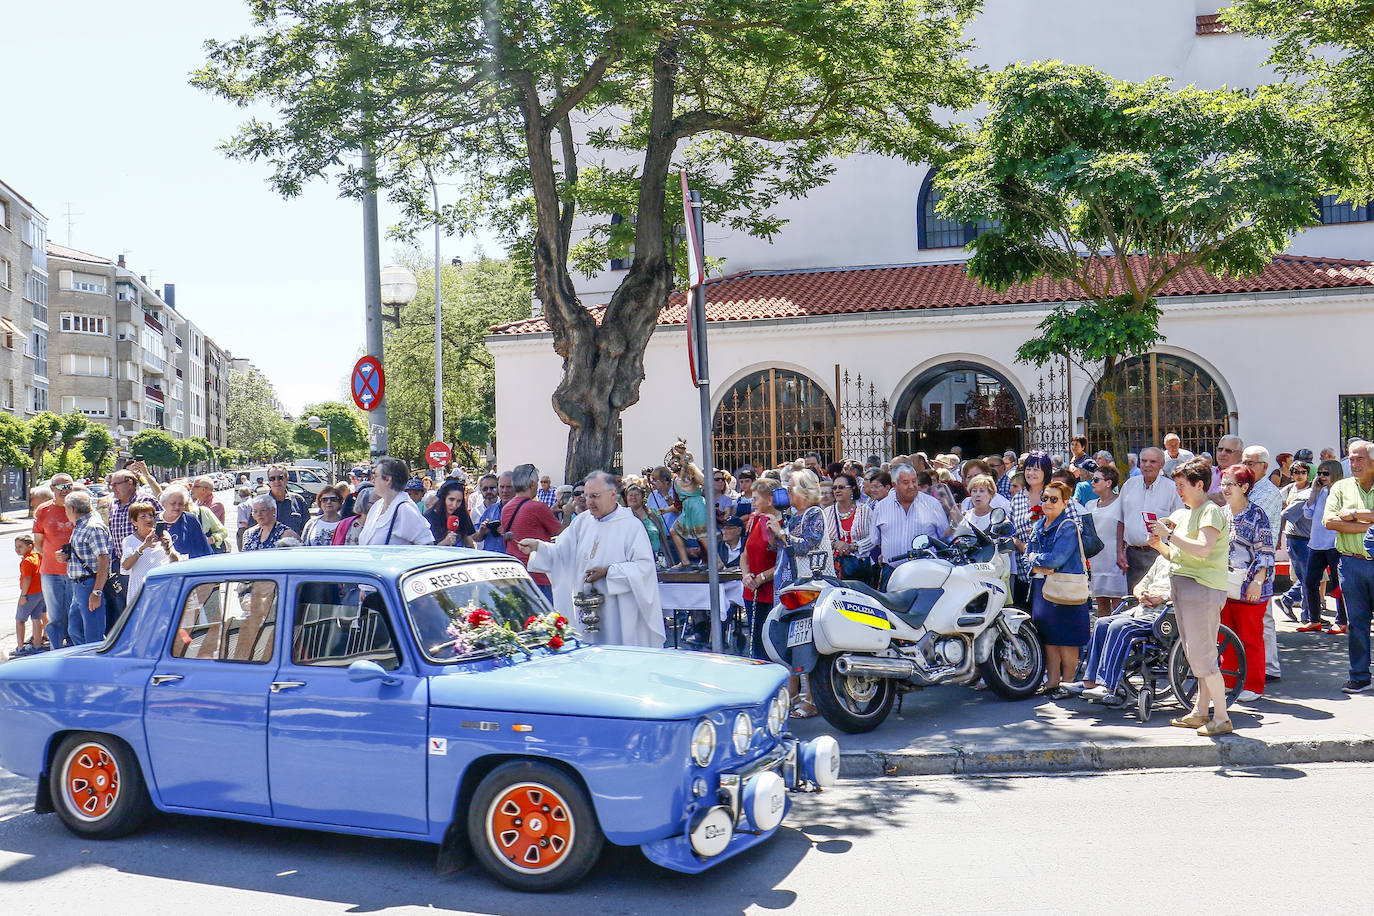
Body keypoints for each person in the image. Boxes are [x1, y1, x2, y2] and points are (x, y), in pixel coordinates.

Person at [521, 471, 665, 647]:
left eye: (595, 496)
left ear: (613, 494)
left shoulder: (631, 526)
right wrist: (538, 547)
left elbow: (644, 568)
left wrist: (608, 572)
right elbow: (560, 554)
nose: (589, 502)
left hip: (617, 611)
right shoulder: (582, 522)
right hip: (586, 608)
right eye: (587, 496)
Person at [1150, 457, 1233, 736]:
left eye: (1182, 485)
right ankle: (1200, 712)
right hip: (1187, 588)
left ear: (1200, 485)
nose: (1178, 490)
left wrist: (1169, 536)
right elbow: (1178, 557)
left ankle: (1221, 718)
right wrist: (1160, 543)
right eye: (1176, 485)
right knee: (1196, 655)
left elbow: (1203, 550)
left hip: (1202, 589)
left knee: (1204, 657)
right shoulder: (1186, 514)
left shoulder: (1210, 511)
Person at [768, 469, 830, 717]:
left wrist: (782, 534)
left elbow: (807, 546)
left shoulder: (815, 513)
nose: (786, 492)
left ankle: (812, 699)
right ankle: (795, 693)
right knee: (796, 641)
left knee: (809, 642)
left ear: (803, 491)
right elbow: (785, 548)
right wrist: (777, 533)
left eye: (790, 487)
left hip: (813, 585)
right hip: (796, 585)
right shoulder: (795, 517)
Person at [1025, 481, 1092, 698]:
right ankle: (1052, 682)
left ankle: (1068, 683)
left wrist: (1036, 560)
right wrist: (1037, 562)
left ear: (1065, 502)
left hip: (1066, 589)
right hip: (1041, 587)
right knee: (1048, 638)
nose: (1048, 503)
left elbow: (1057, 559)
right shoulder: (1038, 526)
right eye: (1045, 498)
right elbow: (1028, 557)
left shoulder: (1069, 526)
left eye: (1054, 499)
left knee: (1067, 639)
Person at [1078, 554, 1174, 698]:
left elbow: (1188, 591)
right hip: (1142, 610)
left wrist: (1162, 597)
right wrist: (1141, 593)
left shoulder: (1189, 562)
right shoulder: (1162, 559)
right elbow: (1140, 584)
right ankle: (1090, 681)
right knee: (1102, 623)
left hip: (1164, 615)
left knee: (1119, 626)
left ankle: (1107, 686)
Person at [1219, 464, 1274, 702]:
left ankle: (1253, 684)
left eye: (1230, 484)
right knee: (1226, 637)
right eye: (1223, 483)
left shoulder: (1257, 515)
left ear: (1244, 486)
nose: (1225, 489)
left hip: (1249, 586)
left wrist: (1258, 581)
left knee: (1250, 638)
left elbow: (1266, 552)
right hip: (1224, 585)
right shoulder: (1221, 513)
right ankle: (1230, 681)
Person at [1323, 439, 1374, 692]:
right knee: (1356, 623)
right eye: (1351, 458)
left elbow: (1342, 518)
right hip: (1351, 564)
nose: (1353, 463)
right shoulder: (1341, 487)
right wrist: (1369, 522)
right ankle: (1360, 676)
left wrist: (1353, 514)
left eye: (1359, 458)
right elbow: (1329, 521)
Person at [1011, 450, 1078, 607]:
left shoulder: (1056, 493)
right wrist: (1021, 546)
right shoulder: (1018, 498)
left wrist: (1044, 534)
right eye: (1028, 469)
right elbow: (1010, 531)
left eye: (1036, 469)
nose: (1031, 473)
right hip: (1025, 573)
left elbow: (1076, 526)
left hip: (1056, 574)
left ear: (1046, 472)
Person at [1240, 445, 1283, 682]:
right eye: (1244, 462)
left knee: (1262, 615)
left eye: (1251, 463)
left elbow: (1249, 520)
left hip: (1260, 560)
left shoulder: (1267, 492)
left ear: (1264, 468)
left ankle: (1269, 667)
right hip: (1242, 561)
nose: (1246, 467)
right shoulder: (1247, 488)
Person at [1115, 446, 1183, 594]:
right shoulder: (1129, 486)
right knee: (1133, 599)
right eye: (1144, 461)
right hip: (1132, 554)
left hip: (1159, 555)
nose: (1147, 465)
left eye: (1153, 461)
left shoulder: (1172, 489)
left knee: (1156, 600)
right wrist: (1120, 551)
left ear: (1162, 464)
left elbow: (1180, 524)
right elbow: (1120, 520)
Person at [872, 463, 950, 587]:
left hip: (925, 572)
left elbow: (944, 536)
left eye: (914, 481)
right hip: (892, 572)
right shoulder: (881, 507)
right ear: (894, 485)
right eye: (905, 482)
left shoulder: (932, 504)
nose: (912, 486)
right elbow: (876, 539)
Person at [503, 463, 565, 600]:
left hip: (516, 574)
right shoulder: (538, 507)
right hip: (538, 574)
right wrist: (568, 512)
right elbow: (564, 533)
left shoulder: (506, 508)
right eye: (537, 482)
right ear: (531, 484)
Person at [34, 475, 80, 648]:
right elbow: (38, 542)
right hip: (51, 572)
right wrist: (53, 556)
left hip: (76, 572)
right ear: (52, 488)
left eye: (68, 486)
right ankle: (55, 650)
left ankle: (75, 650)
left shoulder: (79, 508)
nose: (65, 490)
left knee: (74, 615)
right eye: (60, 487)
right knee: (55, 617)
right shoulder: (43, 510)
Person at [1302, 459, 1347, 633]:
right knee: (1310, 582)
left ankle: (1341, 620)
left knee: (1337, 584)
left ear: (1334, 473)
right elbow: (1307, 513)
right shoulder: (1320, 492)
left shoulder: (1342, 493)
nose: (1321, 476)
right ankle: (1314, 619)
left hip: (1335, 543)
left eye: (1325, 473)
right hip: (1316, 543)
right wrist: (1314, 490)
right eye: (1319, 473)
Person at [63, 490, 113, 645]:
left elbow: (104, 560)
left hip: (90, 585)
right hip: (79, 585)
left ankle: (95, 664)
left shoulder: (92, 527)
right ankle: (83, 661)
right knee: (75, 630)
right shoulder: (81, 525)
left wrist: (96, 592)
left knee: (93, 634)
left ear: (71, 509)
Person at [740, 477, 782, 660]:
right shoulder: (754, 519)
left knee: (770, 643)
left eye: (756, 498)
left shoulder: (782, 523)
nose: (753, 502)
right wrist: (746, 575)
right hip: (751, 589)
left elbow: (783, 561)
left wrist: (762, 578)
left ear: (770, 500)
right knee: (756, 641)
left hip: (771, 591)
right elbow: (745, 554)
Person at [360, 458, 436, 546]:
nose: (373, 481)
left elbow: (426, 544)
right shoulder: (377, 506)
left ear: (388, 479)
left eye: (376, 476)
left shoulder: (405, 509)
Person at [1085, 464, 1128, 617]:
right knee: (1101, 603)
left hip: (1115, 560)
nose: (1092, 482)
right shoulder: (1090, 505)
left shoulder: (1121, 503)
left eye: (1096, 480)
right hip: (1096, 561)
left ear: (1108, 483)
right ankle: (1103, 638)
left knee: (1118, 604)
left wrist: (1122, 552)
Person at [121, 501, 181, 605]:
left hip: (163, 587)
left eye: (151, 515)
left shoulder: (164, 535)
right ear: (134, 522)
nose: (148, 519)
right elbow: (126, 566)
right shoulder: (129, 541)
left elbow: (176, 561)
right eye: (143, 516)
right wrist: (143, 547)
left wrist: (168, 549)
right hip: (141, 589)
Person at [1276, 461, 1313, 622]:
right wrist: (1279, 536)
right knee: (1307, 577)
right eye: (1296, 472)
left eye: (1303, 472)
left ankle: (1305, 610)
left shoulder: (1313, 489)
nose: (1300, 475)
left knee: (1308, 577)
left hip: (1309, 536)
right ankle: (1296, 605)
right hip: (1295, 537)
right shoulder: (1288, 490)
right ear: (1291, 474)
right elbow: (1282, 514)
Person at [667, 443, 711, 569]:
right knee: (674, 531)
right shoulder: (676, 479)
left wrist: (691, 466)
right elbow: (677, 503)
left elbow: (704, 481)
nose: (673, 463)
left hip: (697, 505)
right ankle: (684, 561)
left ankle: (717, 562)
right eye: (672, 461)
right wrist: (664, 510)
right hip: (687, 508)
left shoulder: (690, 469)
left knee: (702, 537)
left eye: (676, 460)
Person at [825, 472, 874, 580]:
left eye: (841, 487)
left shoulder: (864, 511)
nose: (837, 491)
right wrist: (835, 543)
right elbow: (821, 540)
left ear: (852, 489)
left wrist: (854, 546)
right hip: (834, 569)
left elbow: (874, 538)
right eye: (834, 488)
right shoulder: (827, 512)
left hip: (859, 568)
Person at [623, 476, 672, 564]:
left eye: (637, 495)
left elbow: (662, 535)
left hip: (657, 559)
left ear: (642, 497)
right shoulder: (623, 517)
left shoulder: (653, 514)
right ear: (626, 498)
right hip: (634, 560)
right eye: (631, 495)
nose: (634, 497)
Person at [158, 486, 214, 559]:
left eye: (180, 504)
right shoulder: (155, 520)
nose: (177, 507)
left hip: (186, 566)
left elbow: (203, 549)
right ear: (164, 503)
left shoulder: (190, 520)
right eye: (173, 503)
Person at [13, 535, 46, 655]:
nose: (17, 549)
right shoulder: (37, 556)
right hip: (40, 592)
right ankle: (37, 645)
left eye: (20, 547)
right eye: (16, 547)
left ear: (30, 546)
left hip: (30, 593)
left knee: (20, 620)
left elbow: (27, 578)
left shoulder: (27, 561)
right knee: (36, 618)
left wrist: (23, 595)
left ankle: (20, 647)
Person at [425, 479, 476, 548]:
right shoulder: (429, 517)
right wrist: (445, 542)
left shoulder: (462, 515)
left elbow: (470, 544)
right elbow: (426, 550)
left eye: (459, 501)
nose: (454, 505)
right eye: (451, 499)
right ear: (443, 498)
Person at [266, 465, 311, 536]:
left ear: (287, 478)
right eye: (272, 478)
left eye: (280, 477)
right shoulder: (260, 504)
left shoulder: (298, 500)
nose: (276, 481)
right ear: (268, 481)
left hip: (294, 546)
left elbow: (307, 529)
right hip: (271, 547)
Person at [1208, 436, 1244, 504]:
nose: (1222, 454)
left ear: (1240, 455)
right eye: (1220, 449)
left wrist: (1199, 498)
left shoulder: (1242, 474)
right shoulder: (1209, 472)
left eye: (1228, 451)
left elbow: (1222, 499)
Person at [234, 485, 255, 550]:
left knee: (242, 549)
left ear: (240, 495)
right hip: (256, 527)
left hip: (244, 530)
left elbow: (243, 522)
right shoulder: (255, 502)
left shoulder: (242, 506)